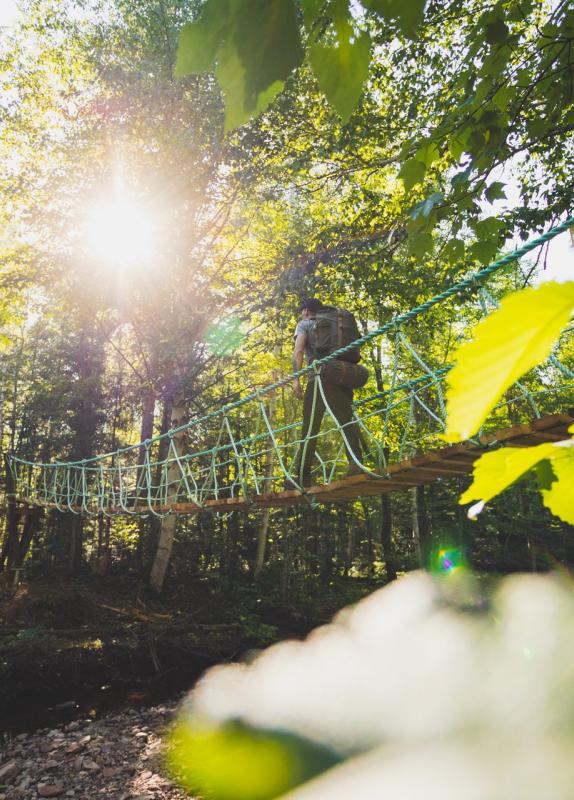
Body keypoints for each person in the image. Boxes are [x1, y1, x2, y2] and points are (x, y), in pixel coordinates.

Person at [286, 298, 367, 490]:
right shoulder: (336, 326)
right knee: (346, 421)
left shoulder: (304, 324)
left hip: (319, 379)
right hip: (342, 375)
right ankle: (357, 464)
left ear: (306, 311)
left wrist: (296, 379)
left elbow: (298, 350)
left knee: (310, 429)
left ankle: (303, 477)